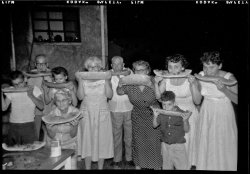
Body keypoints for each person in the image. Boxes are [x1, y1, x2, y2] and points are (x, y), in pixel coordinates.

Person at [154, 54, 201, 168]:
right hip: (171, 114)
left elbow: (197, 101)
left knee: (187, 143)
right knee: (171, 143)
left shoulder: (190, 79)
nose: (173, 70)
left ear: (183, 67)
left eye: (176, 66)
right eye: (170, 67)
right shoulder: (166, 79)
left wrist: (194, 84)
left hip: (188, 115)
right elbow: (159, 98)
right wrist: (156, 83)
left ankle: (187, 165)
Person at [195, 51, 237, 171]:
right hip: (206, 110)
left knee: (223, 143)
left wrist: (224, 89)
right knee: (207, 143)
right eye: (205, 66)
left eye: (211, 67)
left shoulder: (230, 77)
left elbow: (237, 100)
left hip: (223, 111)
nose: (207, 71)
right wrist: (194, 85)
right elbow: (197, 100)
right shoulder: (201, 75)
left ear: (220, 66)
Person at [117, 60, 162, 170]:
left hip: (153, 114)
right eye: (137, 70)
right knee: (138, 141)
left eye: (143, 70)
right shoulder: (130, 82)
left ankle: (156, 166)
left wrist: (151, 84)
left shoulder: (154, 80)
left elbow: (159, 97)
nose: (140, 72)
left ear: (147, 71)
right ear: (134, 71)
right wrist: (119, 85)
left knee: (153, 142)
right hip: (137, 114)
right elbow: (120, 92)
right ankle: (139, 166)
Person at [76, 56, 114, 170]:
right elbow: (80, 97)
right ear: (87, 68)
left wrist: (107, 80)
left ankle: (100, 168)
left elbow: (110, 95)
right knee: (87, 139)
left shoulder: (105, 79)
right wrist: (80, 81)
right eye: (91, 67)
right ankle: (87, 168)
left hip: (102, 111)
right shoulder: (82, 79)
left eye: (96, 67)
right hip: (86, 111)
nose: (93, 69)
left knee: (102, 140)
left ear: (100, 68)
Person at [1, 70, 44, 145]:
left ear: (25, 79)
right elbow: (4, 108)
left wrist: (31, 95)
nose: (18, 86)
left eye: (20, 83)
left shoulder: (34, 89)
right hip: (13, 125)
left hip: (29, 125)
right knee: (13, 152)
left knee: (31, 151)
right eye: (15, 84)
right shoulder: (11, 90)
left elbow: (41, 106)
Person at [152, 91, 192, 170]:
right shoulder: (161, 114)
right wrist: (155, 116)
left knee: (182, 167)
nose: (166, 107)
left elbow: (187, 129)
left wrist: (185, 120)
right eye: (164, 104)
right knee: (166, 166)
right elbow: (154, 125)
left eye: (169, 104)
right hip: (165, 145)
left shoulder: (181, 113)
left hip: (178, 146)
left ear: (174, 103)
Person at [108, 56, 134, 169]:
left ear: (123, 64)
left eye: (119, 64)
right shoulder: (107, 74)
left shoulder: (129, 72)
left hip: (129, 108)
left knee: (129, 136)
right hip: (114, 109)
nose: (117, 66)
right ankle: (117, 159)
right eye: (114, 64)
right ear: (111, 65)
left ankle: (129, 158)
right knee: (116, 136)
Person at [45, 90, 80, 169]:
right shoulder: (52, 114)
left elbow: (73, 135)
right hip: (54, 145)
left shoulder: (75, 113)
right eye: (58, 101)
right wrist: (49, 129)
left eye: (64, 100)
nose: (61, 103)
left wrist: (75, 126)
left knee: (71, 168)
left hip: (70, 145)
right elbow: (52, 136)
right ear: (55, 102)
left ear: (69, 101)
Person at [27, 54, 53, 140]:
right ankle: (36, 147)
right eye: (38, 63)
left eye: (43, 63)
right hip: (36, 108)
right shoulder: (31, 76)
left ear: (47, 64)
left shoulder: (52, 75)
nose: (41, 66)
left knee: (50, 130)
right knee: (36, 131)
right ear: (35, 64)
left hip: (49, 107)